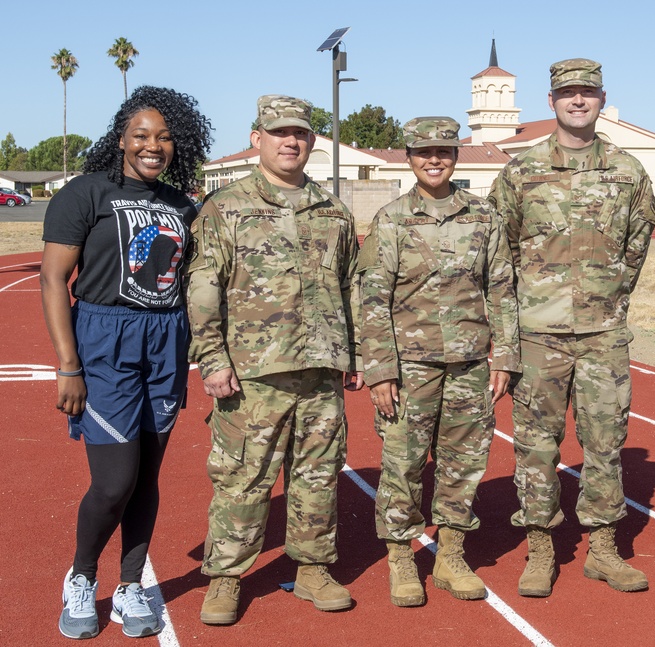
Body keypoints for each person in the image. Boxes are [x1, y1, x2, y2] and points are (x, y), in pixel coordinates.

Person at [41, 86, 213, 640]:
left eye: (163, 137)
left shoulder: (183, 206)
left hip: (165, 343)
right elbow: (50, 279)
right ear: (121, 139)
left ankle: (132, 584)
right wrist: (69, 365)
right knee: (114, 481)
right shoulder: (87, 193)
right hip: (103, 343)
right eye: (141, 135)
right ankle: (82, 577)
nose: (152, 145)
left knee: (147, 479)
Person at [186, 95, 361, 625]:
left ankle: (311, 568)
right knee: (243, 478)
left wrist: (356, 354)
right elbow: (202, 287)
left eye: (301, 134)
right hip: (252, 375)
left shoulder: (333, 210)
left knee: (318, 476)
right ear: (257, 138)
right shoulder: (226, 207)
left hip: (322, 370)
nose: (291, 141)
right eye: (280, 132)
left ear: (312, 142)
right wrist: (212, 359)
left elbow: (353, 285)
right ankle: (225, 577)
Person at [489, 58, 655, 597]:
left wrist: (604, 302)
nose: (578, 101)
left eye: (588, 92)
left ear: (602, 99)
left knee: (606, 442)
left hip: (603, 336)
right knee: (537, 445)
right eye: (568, 94)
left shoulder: (628, 172)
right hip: (538, 335)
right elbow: (500, 252)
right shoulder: (521, 171)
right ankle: (541, 549)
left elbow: (636, 248)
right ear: (551, 102)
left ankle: (603, 549)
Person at [358, 116, 520, 606]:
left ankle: (451, 553)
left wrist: (506, 353)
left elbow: (502, 288)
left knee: (464, 462)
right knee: (403, 463)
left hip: (470, 363)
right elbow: (372, 299)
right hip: (410, 367)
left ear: (456, 156)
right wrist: (381, 368)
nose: (434, 159)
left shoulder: (483, 215)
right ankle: (402, 557)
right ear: (409, 157)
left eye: (444, 151)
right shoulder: (391, 219)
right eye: (424, 151)